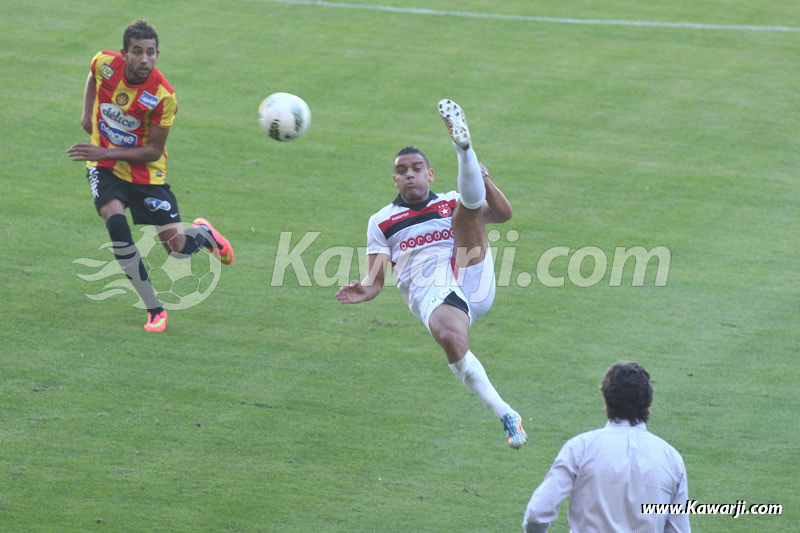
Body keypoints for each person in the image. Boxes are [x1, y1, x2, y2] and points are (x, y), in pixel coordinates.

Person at [336, 99, 527, 448]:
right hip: (432, 293)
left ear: (430, 174)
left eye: (417, 168)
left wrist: (484, 178)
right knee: (453, 342)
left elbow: (502, 214)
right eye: (402, 170)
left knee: (463, 208)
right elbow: (375, 280)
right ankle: (506, 413)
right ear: (395, 179)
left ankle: (463, 149)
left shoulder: (448, 199)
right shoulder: (381, 221)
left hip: (473, 277)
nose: (410, 174)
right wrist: (363, 291)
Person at [66, 20, 233, 332]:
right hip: (104, 167)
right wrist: (87, 115)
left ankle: (205, 235)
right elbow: (92, 75)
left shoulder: (163, 95)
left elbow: (153, 151)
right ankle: (154, 309)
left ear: (158, 54)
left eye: (150, 52)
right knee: (116, 225)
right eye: (137, 52)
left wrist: (104, 152)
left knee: (178, 249)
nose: (144, 59)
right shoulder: (104, 64)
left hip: (145, 174)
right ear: (124, 53)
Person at [523, 362, 690, 532]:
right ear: (648, 401)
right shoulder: (672, 459)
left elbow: (537, 513)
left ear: (607, 399)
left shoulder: (581, 448)